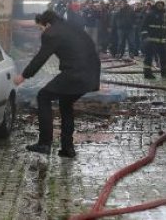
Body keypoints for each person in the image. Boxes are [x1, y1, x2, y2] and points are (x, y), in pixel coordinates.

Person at [13, 10, 101, 158]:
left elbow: (41, 58)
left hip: (75, 74)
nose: (41, 31)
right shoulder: (71, 27)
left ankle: (44, 143)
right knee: (65, 104)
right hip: (91, 74)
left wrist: (23, 76)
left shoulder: (51, 33)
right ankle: (67, 148)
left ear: (47, 24)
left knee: (43, 96)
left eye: (41, 28)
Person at [141, 0, 166, 79]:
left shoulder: (164, 15)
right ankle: (147, 73)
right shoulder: (150, 14)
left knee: (164, 58)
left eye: (161, 4)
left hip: (161, 40)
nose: (160, 5)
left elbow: (165, 28)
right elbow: (143, 26)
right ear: (156, 4)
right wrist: (146, 37)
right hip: (151, 40)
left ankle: (164, 73)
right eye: (158, 4)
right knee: (149, 57)